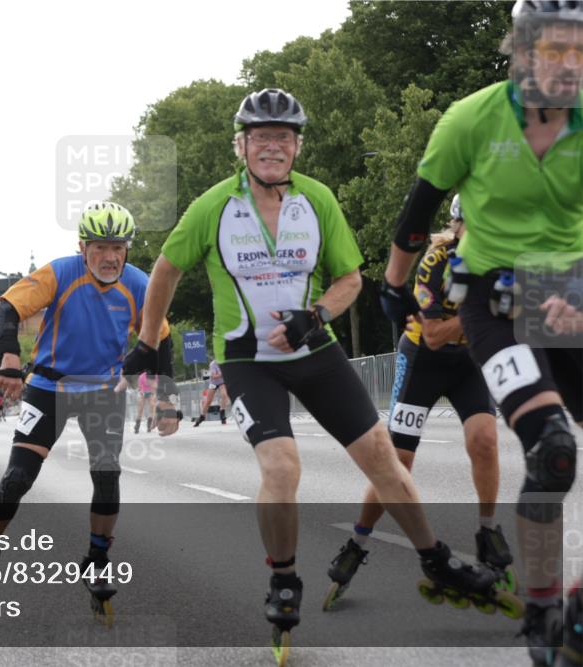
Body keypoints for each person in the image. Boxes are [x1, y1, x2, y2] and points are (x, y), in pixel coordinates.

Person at [121, 88, 512, 649]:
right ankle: (283, 579)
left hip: (316, 352)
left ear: (297, 146)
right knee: (281, 471)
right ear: (242, 144)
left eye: (283, 138)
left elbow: (351, 279)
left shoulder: (318, 201)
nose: (272, 148)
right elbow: (163, 271)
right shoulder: (213, 207)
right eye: (261, 137)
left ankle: (436, 560)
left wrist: (319, 313)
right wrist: (147, 343)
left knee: (385, 463)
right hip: (249, 362)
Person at [378, 3, 582, 663]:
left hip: (570, 295)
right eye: (554, 50)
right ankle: (545, 611)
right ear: (520, 50)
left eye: (580, 51)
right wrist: (394, 294)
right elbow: (413, 224)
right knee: (552, 451)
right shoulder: (469, 120)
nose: (569, 65)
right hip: (493, 304)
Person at [0, 201, 180, 626]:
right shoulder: (60, 273)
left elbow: (159, 340)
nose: (110, 257)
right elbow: (7, 308)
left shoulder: (138, 284)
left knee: (107, 476)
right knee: (19, 477)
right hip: (48, 388)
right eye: (99, 248)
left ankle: (96, 558)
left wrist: (165, 398)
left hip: (104, 391)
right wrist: (8, 355)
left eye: (119, 247)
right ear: (82, 247)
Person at [324, 196, 513, 611]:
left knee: (484, 441)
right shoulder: (435, 262)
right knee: (398, 465)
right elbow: (433, 335)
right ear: (457, 225)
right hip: (423, 360)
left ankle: (487, 530)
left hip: (468, 363)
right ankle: (357, 543)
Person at [193, 358, 229, 426]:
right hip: (213, 383)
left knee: (224, 395)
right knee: (208, 401)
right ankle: (202, 416)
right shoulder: (213, 364)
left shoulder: (225, 362)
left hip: (222, 382)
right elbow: (214, 376)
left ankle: (222, 412)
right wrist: (222, 373)